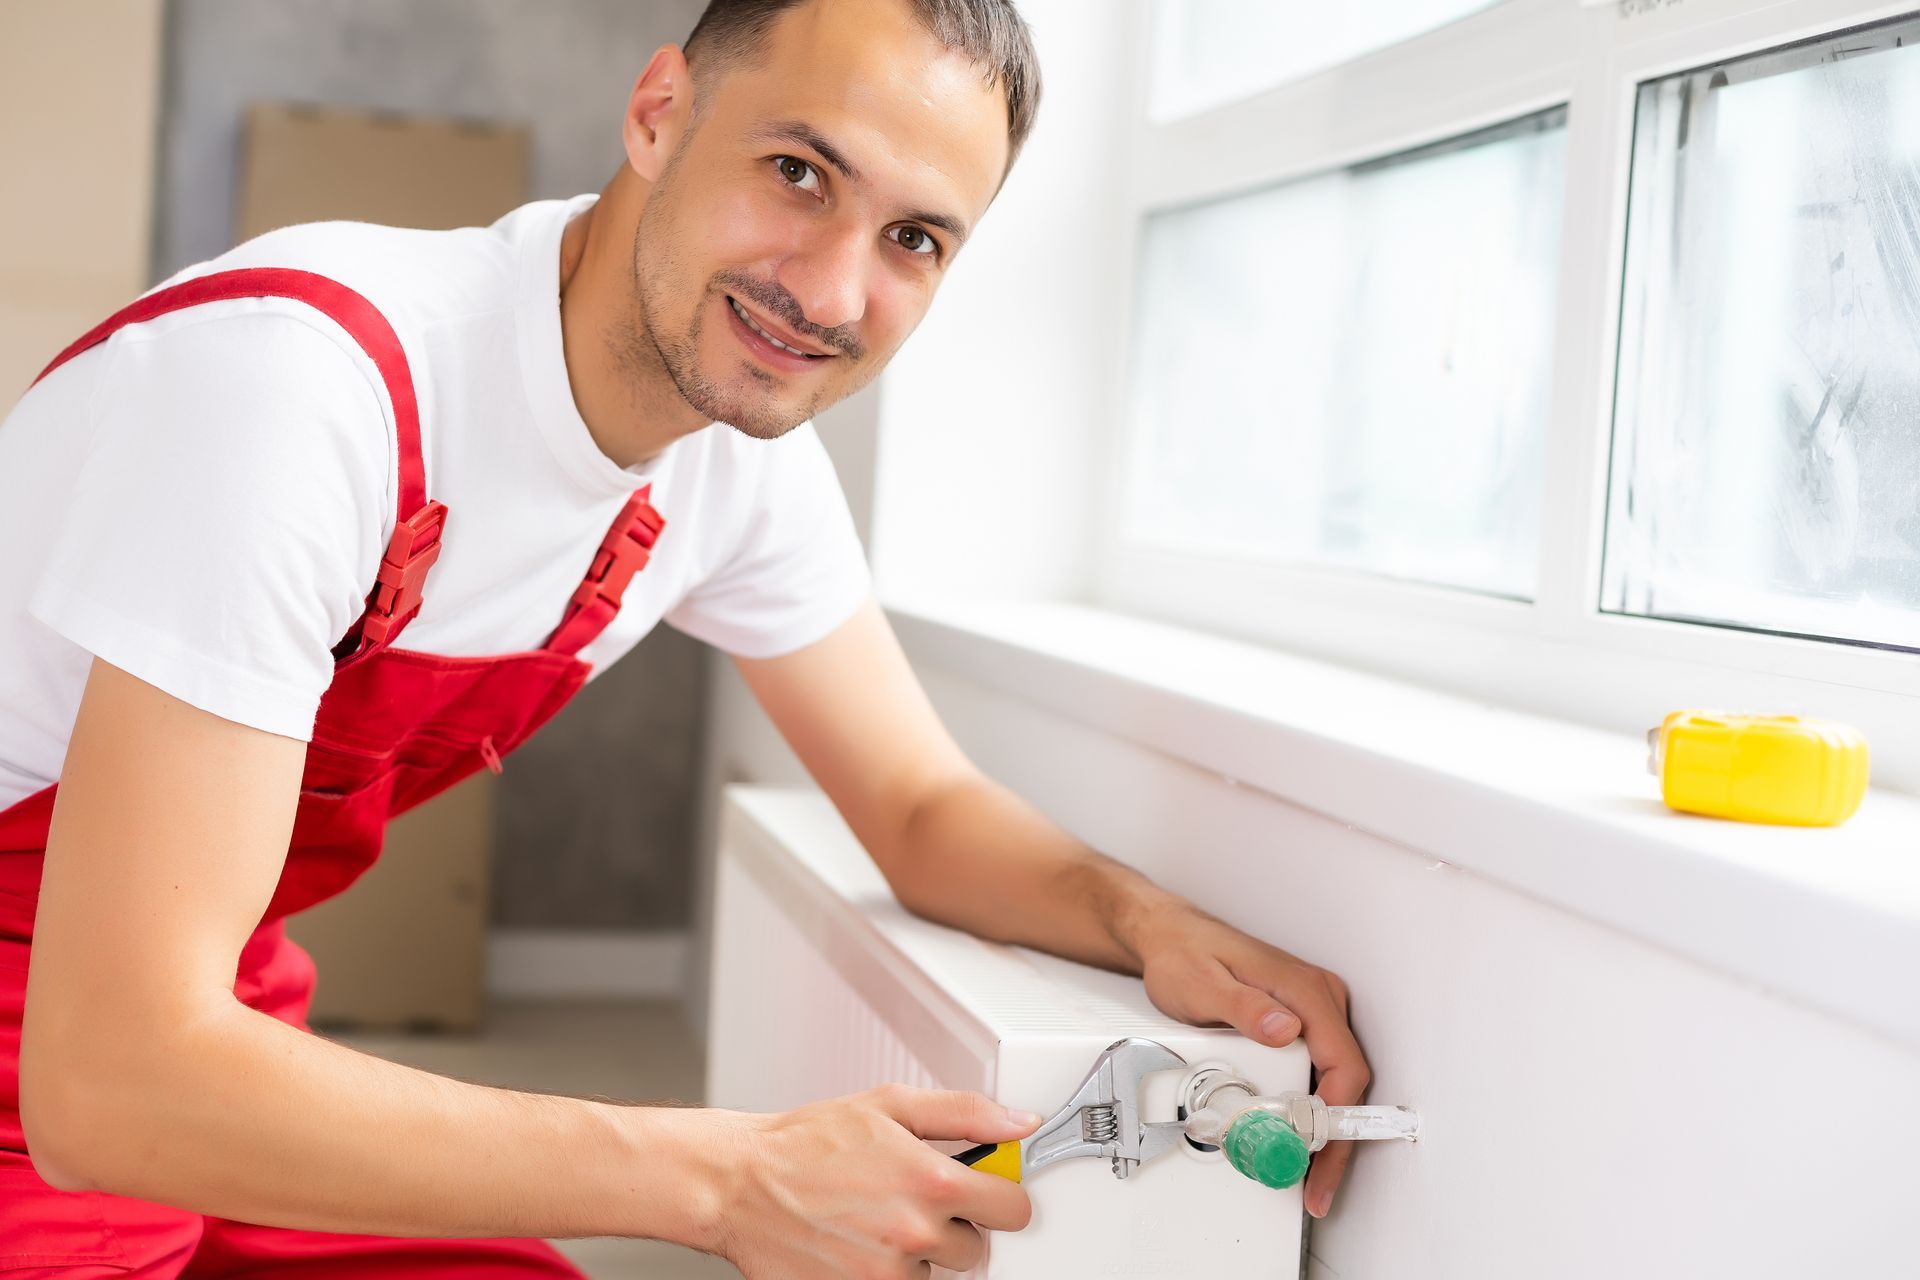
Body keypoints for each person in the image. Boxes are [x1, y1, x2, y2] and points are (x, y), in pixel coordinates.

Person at [0, 0, 1368, 1275]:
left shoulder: (730, 470)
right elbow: (110, 1079)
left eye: (915, 240)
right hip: (110, 1048)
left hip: (194, 1018)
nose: (830, 291)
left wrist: (1150, 922)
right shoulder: (305, 391)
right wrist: (722, 1180)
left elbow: (920, 805)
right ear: (659, 111)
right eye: (800, 172)